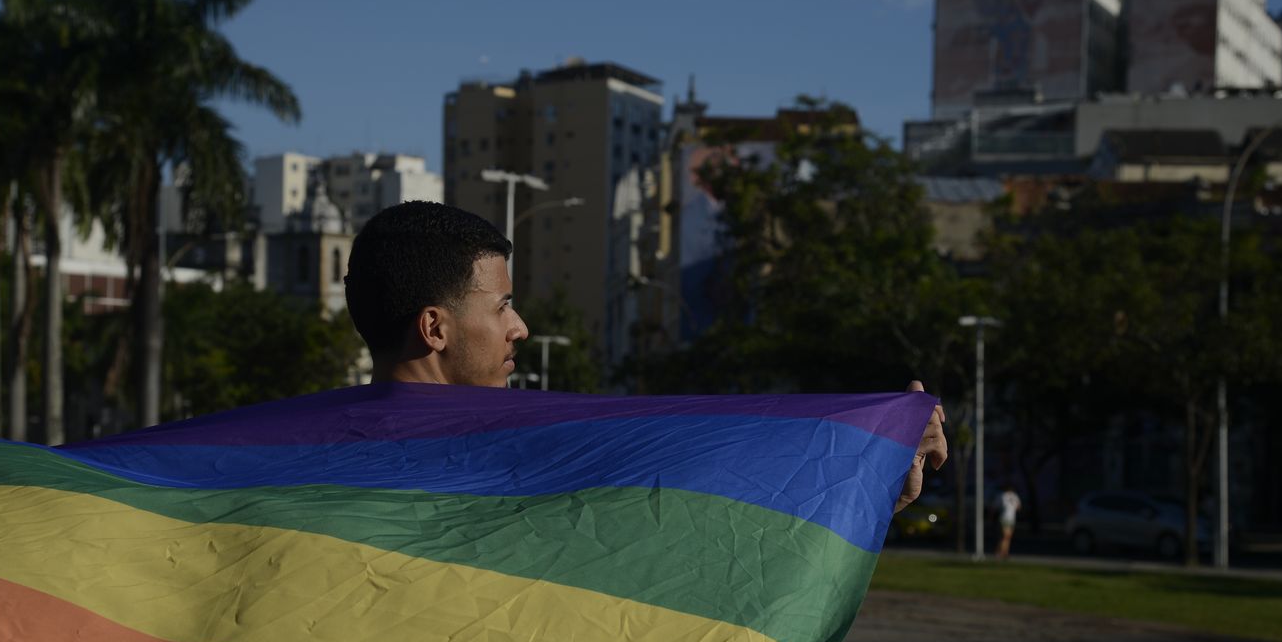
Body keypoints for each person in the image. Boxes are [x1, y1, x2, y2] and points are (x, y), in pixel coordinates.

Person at [343, 200, 946, 508]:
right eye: (502, 306)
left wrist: (867, 473)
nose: (520, 328)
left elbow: (696, 506)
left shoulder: (303, 467)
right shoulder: (524, 465)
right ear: (434, 327)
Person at [996, 483, 1022, 560]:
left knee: (1007, 537)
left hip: (1012, 519)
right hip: (1004, 518)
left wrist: (1014, 506)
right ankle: (1003, 553)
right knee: (1006, 536)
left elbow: (1019, 507)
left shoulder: (1014, 496)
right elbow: (996, 506)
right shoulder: (1002, 495)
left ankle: (1001, 552)